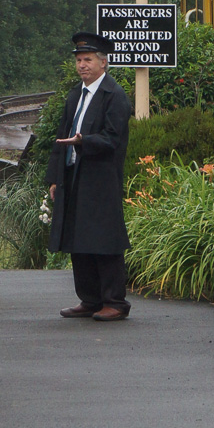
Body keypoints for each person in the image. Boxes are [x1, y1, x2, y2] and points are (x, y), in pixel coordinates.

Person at [46, 31, 133, 321]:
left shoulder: (114, 96)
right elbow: (61, 138)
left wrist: (85, 141)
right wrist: (55, 178)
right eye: (79, 60)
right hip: (74, 174)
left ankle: (115, 302)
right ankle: (90, 298)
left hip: (101, 176)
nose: (82, 65)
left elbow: (113, 139)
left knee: (103, 239)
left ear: (103, 63)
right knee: (78, 239)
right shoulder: (75, 95)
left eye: (88, 60)